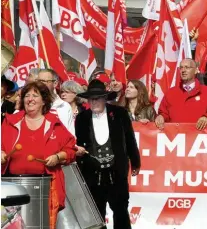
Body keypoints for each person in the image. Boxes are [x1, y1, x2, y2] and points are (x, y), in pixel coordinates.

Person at [1, 81, 76, 229]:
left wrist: (57, 157)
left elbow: (71, 150)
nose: (30, 99)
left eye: (35, 95)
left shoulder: (54, 124)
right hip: (11, 188)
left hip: (46, 188)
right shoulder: (10, 122)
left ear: (44, 101)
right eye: (26, 95)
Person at [75, 79, 141, 229]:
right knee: (96, 213)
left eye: (97, 98)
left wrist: (136, 161)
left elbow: (130, 139)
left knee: (120, 210)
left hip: (116, 171)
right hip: (92, 173)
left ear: (105, 98)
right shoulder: (81, 118)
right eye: (91, 99)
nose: (94, 102)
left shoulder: (119, 114)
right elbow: (80, 143)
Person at [155, 58, 207, 130]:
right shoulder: (171, 92)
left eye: (187, 67)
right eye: (181, 68)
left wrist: (206, 117)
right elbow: (163, 113)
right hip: (176, 138)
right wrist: (161, 117)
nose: (183, 70)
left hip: (199, 137)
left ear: (196, 70)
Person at [38, 69, 75, 135]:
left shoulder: (64, 106)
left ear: (55, 84)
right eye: (38, 81)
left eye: (44, 81)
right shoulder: (29, 104)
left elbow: (71, 135)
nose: (40, 84)